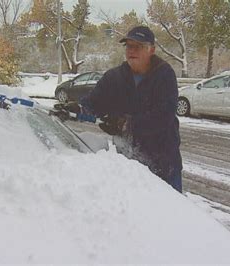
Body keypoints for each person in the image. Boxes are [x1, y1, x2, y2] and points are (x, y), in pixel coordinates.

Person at [77, 26, 183, 193]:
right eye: (129, 46)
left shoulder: (164, 75)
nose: (132, 51)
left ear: (152, 50)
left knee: (169, 214)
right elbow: (94, 103)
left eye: (138, 46)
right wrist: (79, 108)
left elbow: (165, 115)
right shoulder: (114, 77)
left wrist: (127, 124)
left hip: (164, 162)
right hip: (128, 164)